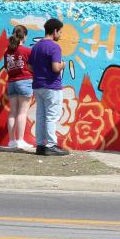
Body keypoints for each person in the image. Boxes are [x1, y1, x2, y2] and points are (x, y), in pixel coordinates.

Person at [28, 18, 70, 156]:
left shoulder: (36, 46)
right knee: (52, 116)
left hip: (38, 86)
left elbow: (29, 66)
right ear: (55, 31)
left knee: (40, 115)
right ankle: (51, 145)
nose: (61, 35)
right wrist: (63, 65)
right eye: (61, 32)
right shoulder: (54, 47)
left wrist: (40, 72)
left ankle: (40, 145)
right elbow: (56, 67)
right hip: (52, 86)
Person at [4, 34, 34, 151]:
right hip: (25, 81)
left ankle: (12, 141)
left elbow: (6, 68)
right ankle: (20, 140)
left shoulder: (7, 52)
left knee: (13, 112)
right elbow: (31, 67)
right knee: (22, 112)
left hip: (11, 82)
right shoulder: (27, 50)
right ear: (25, 36)